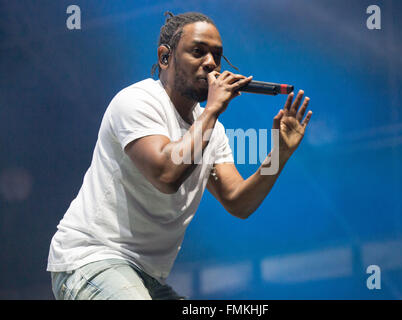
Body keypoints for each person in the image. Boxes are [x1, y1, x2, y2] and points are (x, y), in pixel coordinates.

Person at [47, 11, 312, 300]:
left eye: (216, 55)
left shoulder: (213, 130)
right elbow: (166, 175)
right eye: (198, 52)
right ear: (165, 58)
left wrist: (280, 154)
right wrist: (212, 110)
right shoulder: (137, 102)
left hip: (147, 275)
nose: (210, 63)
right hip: (93, 259)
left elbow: (238, 201)